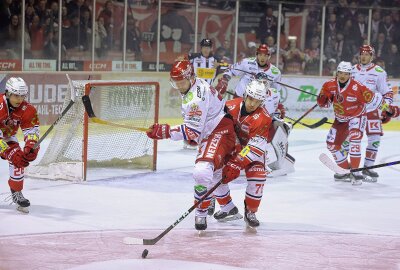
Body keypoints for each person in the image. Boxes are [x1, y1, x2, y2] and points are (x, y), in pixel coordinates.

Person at [146, 60, 236, 231]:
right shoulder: (193, 85)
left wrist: (163, 131)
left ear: (191, 77)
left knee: (202, 170)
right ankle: (228, 207)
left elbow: (192, 132)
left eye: (181, 81)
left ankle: (201, 214)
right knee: (215, 172)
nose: (178, 86)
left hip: (219, 130)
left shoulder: (196, 98)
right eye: (175, 82)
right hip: (214, 128)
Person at [317, 61, 395, 185]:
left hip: (356, 117)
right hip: (340, 119)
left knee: (354, 140)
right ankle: (346, 170)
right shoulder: (329, 85)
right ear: (337, 73)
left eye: (346, 73)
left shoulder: (358, 87)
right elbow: (324, 104)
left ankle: (356, 172)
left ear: (350, 75)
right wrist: (322, 100)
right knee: (331, 144)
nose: (342, 76)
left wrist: (389, 109)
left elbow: (376, 101)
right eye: (340, 73)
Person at [213, 80, 273, 228]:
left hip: (252, 151)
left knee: (258, 176)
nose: (252, 104)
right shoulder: (230, 106)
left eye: (257, 101)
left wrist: (237, 162)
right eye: (251, 98)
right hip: (232, 146)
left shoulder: (264, 118)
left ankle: (251, 211)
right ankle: (227, 207)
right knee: (214, 169)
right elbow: (216, 125)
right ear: (245, 95)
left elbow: (254, 147)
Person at [351, 45, 393, 182]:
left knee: (375, 139)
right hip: (354, 111)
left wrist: (386, 109)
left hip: (372, 110)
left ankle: (368, 166)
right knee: (350, 139)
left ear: (372, 56)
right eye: (362, 54)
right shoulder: (351, 71)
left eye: (367, 54)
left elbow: (387, 92)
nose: (364, 56)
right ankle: (348, 168)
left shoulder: (379, 72)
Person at [0, 77, 40, 213]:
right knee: (13, 154)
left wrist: (31, 147)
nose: (19, 99)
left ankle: (17, 192)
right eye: (16, 95)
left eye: (22, 95)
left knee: (19, 159)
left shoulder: (28, 110)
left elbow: (32, 132)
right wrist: (8, 152)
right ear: (7, 93)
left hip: (6, 136)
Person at [215, 44, 282, 97]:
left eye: (265, 55)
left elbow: (275, 91)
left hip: (258, 102)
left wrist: (278, 105)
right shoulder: (246, 62)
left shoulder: (275, 72)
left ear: (269, 56)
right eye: (260, 55)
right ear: (256, 55)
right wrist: (225, 80)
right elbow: (231, 69)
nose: (262, 58)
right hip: (240, 97)